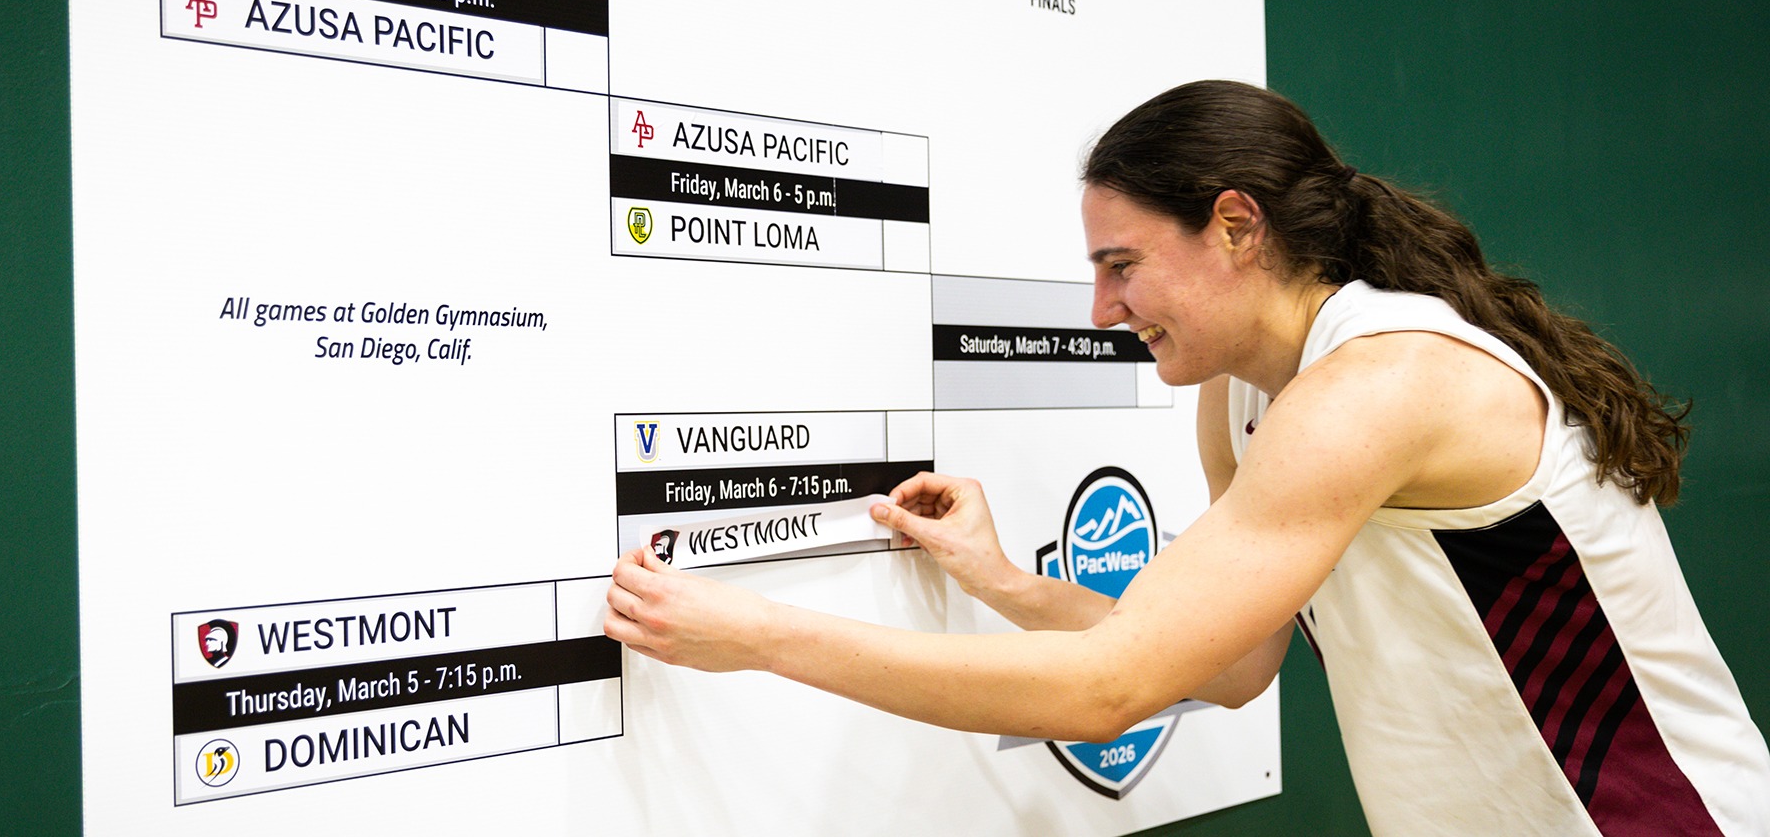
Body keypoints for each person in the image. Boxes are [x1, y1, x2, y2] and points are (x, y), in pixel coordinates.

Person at [605, 80, 1769, 834]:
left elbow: (1109, 691)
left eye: (1123, 266)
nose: (1103, 310)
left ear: (1235, 226)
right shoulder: (1241, 395)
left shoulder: (1381, 384)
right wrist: (1001, 580)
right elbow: (1232, 664)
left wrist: (759, 636)